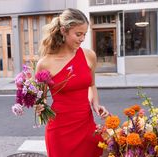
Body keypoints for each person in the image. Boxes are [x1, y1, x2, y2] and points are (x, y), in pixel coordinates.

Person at [35, 8, 109, 157]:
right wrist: (39, 106)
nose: (82, 39)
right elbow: (40, 97)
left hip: (86, 125)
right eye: (78, 34)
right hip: (59, 130)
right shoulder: (45, 63)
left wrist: (96, 104)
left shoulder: (89, 56)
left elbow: (91, 85)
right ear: (64, 30)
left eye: (84, 34)